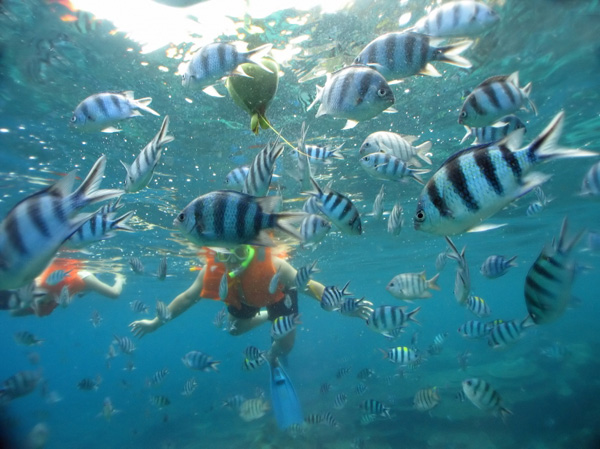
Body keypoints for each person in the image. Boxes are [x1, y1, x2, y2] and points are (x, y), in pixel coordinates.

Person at [130, 245, 371, 362]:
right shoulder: (213, 272)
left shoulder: (273, 264)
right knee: (234, 330)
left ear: (251, 248)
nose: (232, 261)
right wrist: (155, 322)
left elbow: (309, 285)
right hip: (243, 299)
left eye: (240, 252)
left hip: (279, 296)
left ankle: (273, 351)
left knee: (286, 345)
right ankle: (267, 317)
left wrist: (341, 305)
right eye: (224, 254)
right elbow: (187, 298)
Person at [0, 257, 126, 317]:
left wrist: (119, 279)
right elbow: (15, 312)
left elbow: (115, 293)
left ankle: (120, 277)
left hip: (77, 278)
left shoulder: (82, 277)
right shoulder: (35, 297)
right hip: (63, 285)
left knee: (113, 294)